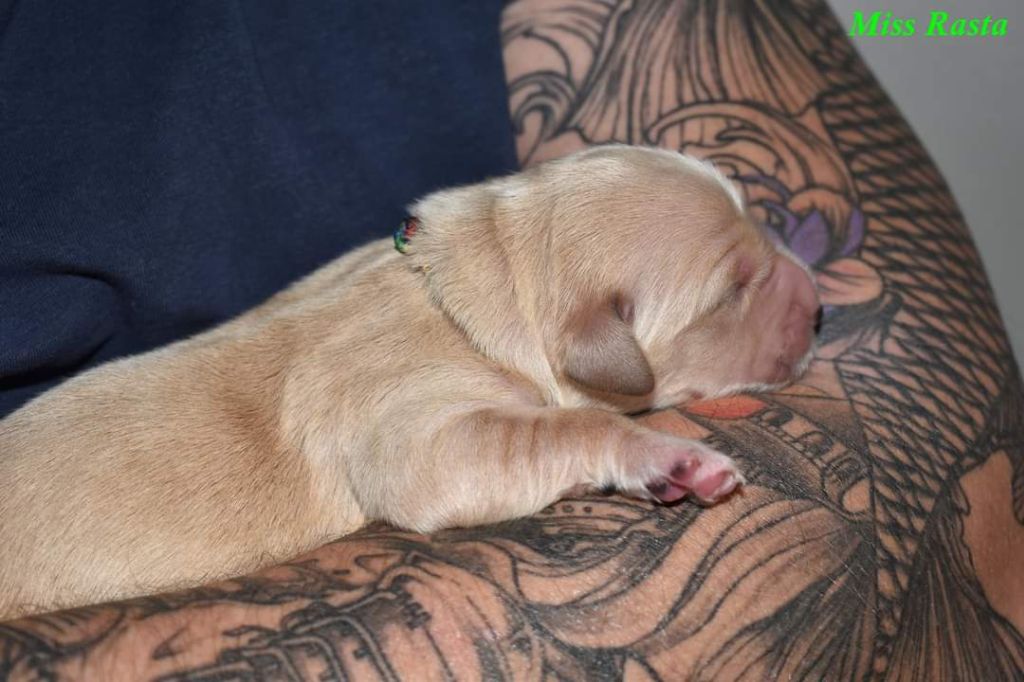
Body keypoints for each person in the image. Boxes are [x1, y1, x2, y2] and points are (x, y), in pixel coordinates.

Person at [2, 1, 1022, 679]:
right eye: (735, 289)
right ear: (600, 345)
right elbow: (423, 476)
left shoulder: (429, 270)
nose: (799, 294)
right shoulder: (428, 352)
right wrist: (603, 445)